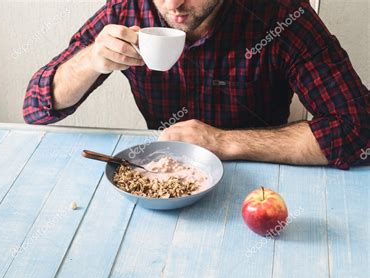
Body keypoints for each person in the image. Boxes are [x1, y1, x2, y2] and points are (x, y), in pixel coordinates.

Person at [23, 0, 369, 170]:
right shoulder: (128, 9)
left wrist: (223, 142)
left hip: (263, 171)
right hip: (165, 175)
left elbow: (360, 129)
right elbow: (36, 108)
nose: (174, 4)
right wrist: (90, 60)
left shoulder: (280, 14)